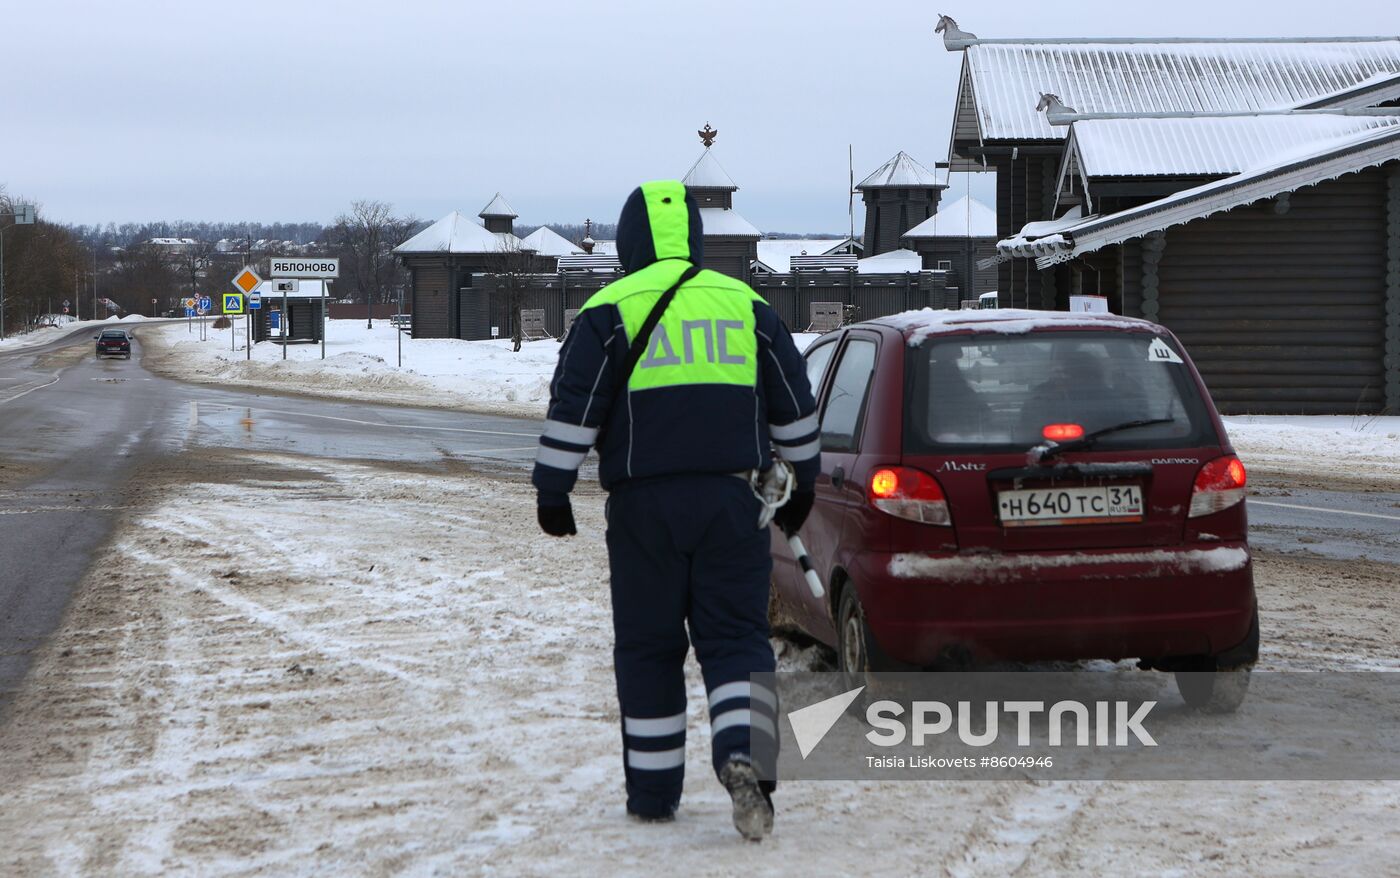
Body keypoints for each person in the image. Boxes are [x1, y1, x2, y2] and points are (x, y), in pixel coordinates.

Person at [532, 180, 820, 841]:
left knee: (649, 648)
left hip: (643, 510)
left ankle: (655, 795)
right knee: (738, 640)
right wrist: (802, 482)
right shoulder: (746, 305)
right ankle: (746, 754)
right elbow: (794, 406)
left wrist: (554, 489)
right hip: (732, 502)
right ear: (692, 235)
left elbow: (575, 407)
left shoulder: (608, 311)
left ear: (629, 240)